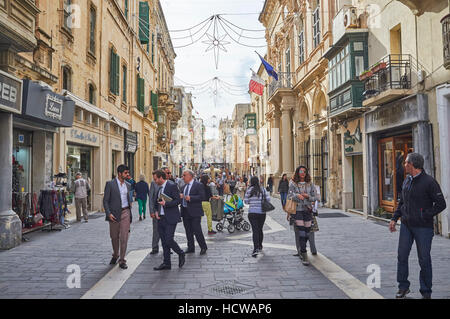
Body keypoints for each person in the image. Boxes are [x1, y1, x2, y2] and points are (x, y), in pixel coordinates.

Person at [389, 153, 446, 299]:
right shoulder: (407, 181)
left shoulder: (429, 182)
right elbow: (402, 202)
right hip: (406, 226)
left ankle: (426, 292)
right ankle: (403, 287)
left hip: (423, 228)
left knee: (424, 259)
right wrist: (394, 218)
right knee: (402, 256)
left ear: (412, 165)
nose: (404, 165)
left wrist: (424, 215)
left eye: (406, 162)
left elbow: (441, 204)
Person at [152, 170, 185, 270]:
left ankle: (180, 253)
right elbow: (156, 202)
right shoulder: (158, 188)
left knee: (168, 239)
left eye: (155, 179)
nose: (155, 181)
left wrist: (166, 204)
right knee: (163, 241)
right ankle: (167, 263)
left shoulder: (172, 186)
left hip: (170, 217)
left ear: (161, 178)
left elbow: (178, 200)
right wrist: (156, 212)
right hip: (161, 218)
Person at [103, 165, 133, 270]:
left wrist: (130, 204)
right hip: (114, 215)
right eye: (125, 173)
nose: (127, 174)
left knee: (124, 237)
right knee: (114, 237)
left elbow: (130, 198)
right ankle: (115, 254)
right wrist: (108, 213)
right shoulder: (110, 184)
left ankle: (122, 260)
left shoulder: (128, 185)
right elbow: (105, 200)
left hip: (125, 212)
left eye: (128, 172)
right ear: (119, 173)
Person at [287, 165, 317, 266]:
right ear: (297, 173)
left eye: (304, 171)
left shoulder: (310, 184)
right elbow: (289, 196)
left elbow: (315, 197)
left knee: (307, 233)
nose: (302, 173)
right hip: (298, 211)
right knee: (302, 232)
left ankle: (301, 250)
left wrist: (308, 196)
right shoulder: (293, 183)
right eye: (300, 171)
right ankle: (304, 255)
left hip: (307, 210)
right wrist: (297, 196)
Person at [180, 170, 208, 255]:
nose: (183, 177)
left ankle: (203, 247)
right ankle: (190, 247)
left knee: (197, 230)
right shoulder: (183, 186)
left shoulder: (198, 185)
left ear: (190, 176)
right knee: (188, 230)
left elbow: (202, 196)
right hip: (185, 211)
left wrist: (191, 198)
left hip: (195, 212)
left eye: (184, 175)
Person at [244, 176, 271, 258]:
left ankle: (255, 249)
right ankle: (260, 245)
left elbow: (246, 201)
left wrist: (252, 201)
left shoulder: (249, 190)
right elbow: (268, 200)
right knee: (260, 229)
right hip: (262, 213)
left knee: (255, 230)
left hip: (252, 213)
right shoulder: (262, 190)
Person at [148, 179, 161, 254]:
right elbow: (151, 198)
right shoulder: (154, 183)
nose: (168, 174)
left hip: (166, 212)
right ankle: (155, 247)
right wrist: (152, 211)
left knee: (167, 231)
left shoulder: (170, 183)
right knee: (156, 230)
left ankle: (167, 247)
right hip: (156, 211)